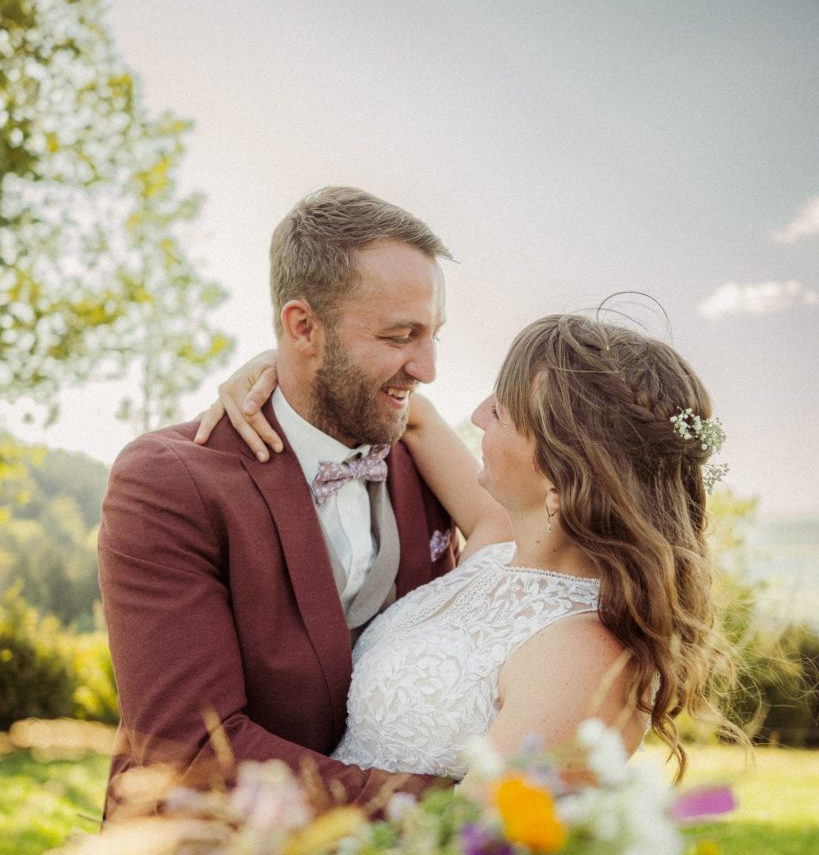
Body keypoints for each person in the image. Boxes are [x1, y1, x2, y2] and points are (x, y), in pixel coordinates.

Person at [204, 311, 732, 787]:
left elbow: (472, 848)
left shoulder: (583, 655)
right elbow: (418, 418)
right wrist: (281, 366)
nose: (479, 414)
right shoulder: (499, 547)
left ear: (561, 477)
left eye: (503, 410)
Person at [98, 186, 469, 819]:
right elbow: (191, 751)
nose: (428, 367)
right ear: (302, 327)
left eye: (433, 334)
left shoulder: (428, 465)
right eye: (400, 335)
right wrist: (448, 814)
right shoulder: (167, 482)